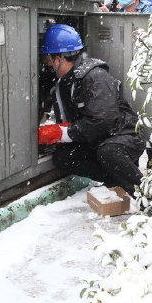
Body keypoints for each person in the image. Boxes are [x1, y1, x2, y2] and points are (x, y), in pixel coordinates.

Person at [38, 24, 145, 197]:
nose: (47, 64)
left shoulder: (95, 77)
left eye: (48, 59)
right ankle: (114, 179)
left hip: (125, 135)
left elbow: (103, 121)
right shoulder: (66, 81)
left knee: (108, 153)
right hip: (100, 139)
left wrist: (65, 132)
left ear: (58, 59)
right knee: (64, 157)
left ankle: (146, 195)